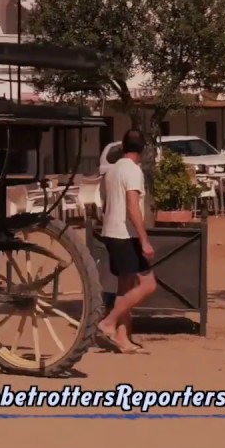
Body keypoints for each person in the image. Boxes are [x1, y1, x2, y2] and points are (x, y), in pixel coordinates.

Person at [97, 128, 157, 353]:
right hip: (125, 234)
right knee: (148, 285)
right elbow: (133, 206)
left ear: (123, 146)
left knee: (125, 288)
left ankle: (123, 339)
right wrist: (144, 240)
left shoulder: (113, 170)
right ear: (143, 148)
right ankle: (108, 322)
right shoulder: (132, 171)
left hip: (111, 231)